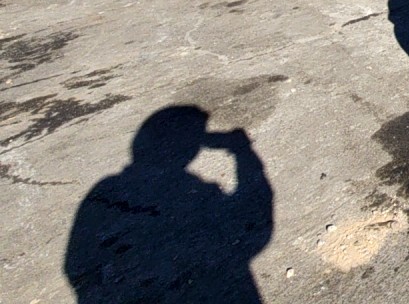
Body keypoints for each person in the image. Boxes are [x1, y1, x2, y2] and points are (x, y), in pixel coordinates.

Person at [64, 106, 274, 303]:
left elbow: (76, 267)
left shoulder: (105, 190)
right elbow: (255, 224)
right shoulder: (195, 194)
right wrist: (242, 151)